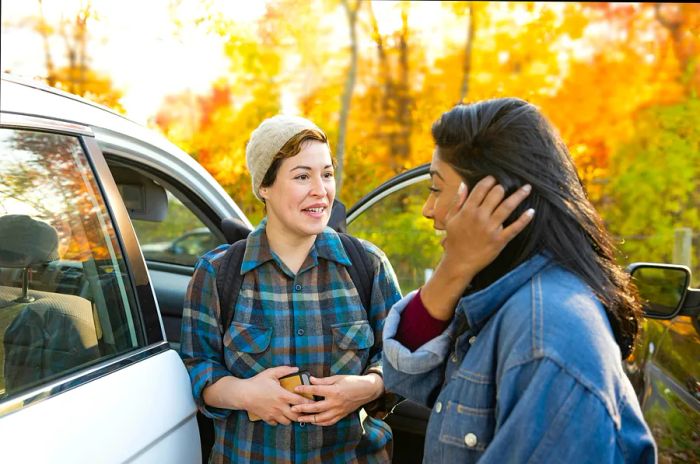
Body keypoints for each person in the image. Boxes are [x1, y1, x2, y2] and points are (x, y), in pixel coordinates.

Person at [382, 98, 656, 463]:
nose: (427, 209)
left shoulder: (548, 333)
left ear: (494, 199)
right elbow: (406, 379)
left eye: (435, 188)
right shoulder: (499, 295)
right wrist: (454, 265)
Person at [180, 115, 402, 463]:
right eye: (302, 176)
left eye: (327, 174)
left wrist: (368, 387)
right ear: (264, 187)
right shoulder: (217, 273)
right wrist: (244, 394)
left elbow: (400, 357)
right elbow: (197, 367)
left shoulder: (368, 265)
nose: (321, 190)